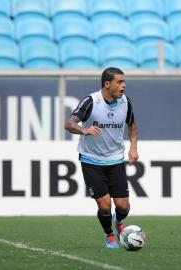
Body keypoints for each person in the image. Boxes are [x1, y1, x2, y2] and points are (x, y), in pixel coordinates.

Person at [65, 67, 139, 248]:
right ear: (107, 84)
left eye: (124, 82)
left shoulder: (125, 103)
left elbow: (133, 126)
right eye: (119, 82)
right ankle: (110, 235)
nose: (124, 85)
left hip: (115, 160)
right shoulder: (91, 101)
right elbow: (69, 123)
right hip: (91, 161)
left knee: (122, 206)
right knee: (104, 205)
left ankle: (119, 221)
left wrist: (133, 149)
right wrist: (84, 130)